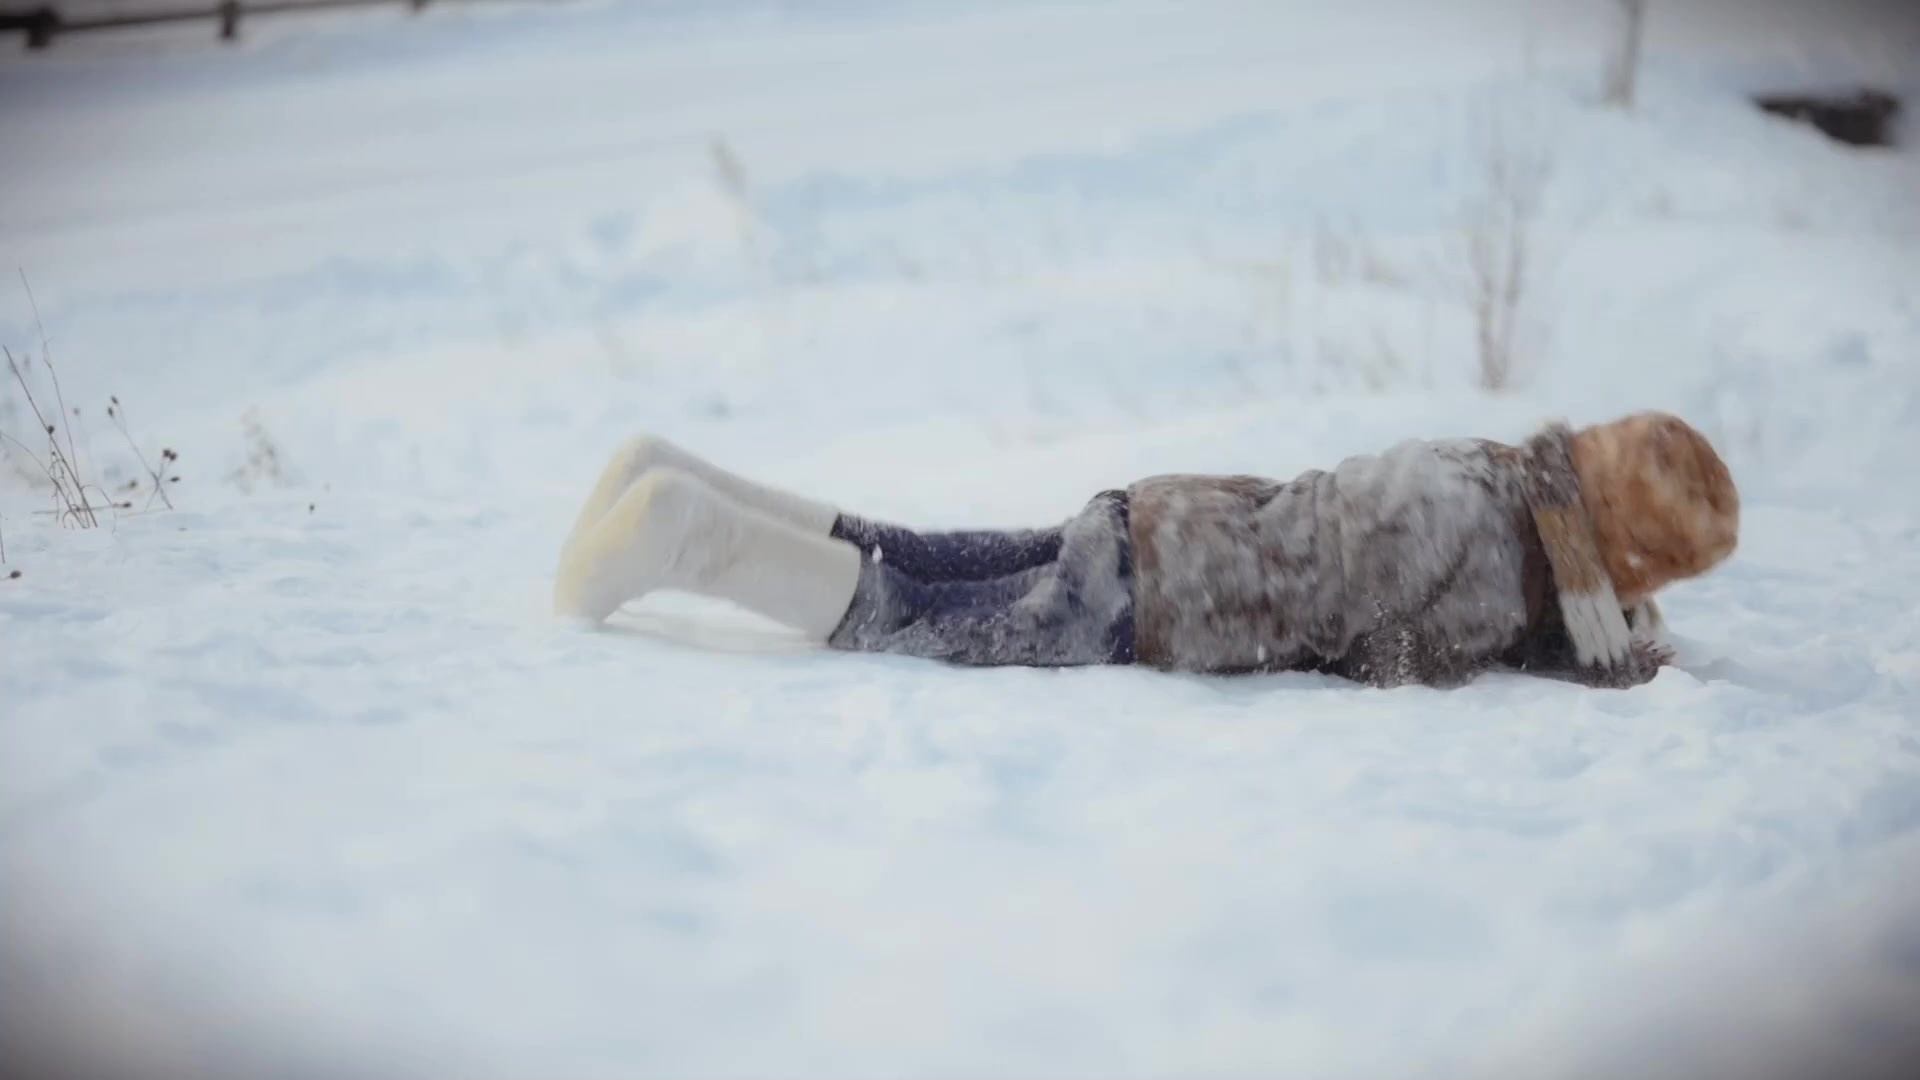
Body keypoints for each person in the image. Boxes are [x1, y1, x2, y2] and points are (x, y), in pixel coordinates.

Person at [553, 411, 1738, 689]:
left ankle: (678, 475)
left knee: (932, 555)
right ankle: (685, 538)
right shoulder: (1499, 566)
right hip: (1176, 602)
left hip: (1158, 521)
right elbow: (1394, 653)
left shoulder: (1489, 468)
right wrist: (1583, 647)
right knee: (904, 616)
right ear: (1628, 556)